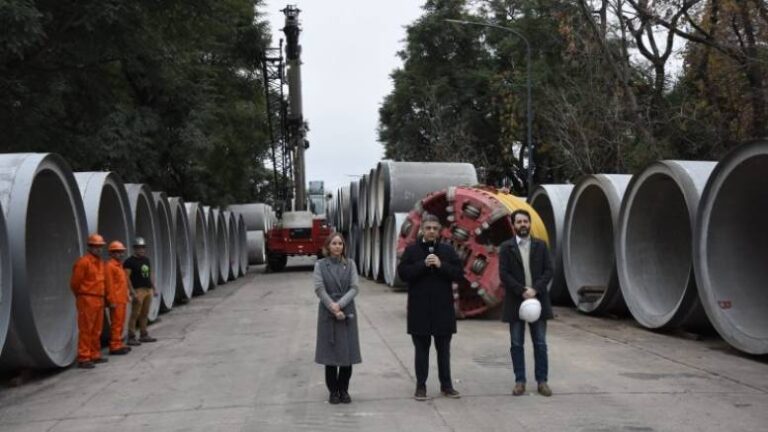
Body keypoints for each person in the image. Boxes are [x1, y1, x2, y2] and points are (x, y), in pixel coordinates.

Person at [397, 213, 463, 401]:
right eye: (428, 228)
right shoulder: (411, 251)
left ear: (439, 230)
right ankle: (421, 386)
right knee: (421, 351)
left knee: (444, 351)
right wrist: (422, 265)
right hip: (420, 310)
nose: (432, 231)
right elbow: (403, 274)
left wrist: (441, 265)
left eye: (435, 228)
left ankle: (447, 386)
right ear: (422, 230)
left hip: (443, 310)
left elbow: (459, 274)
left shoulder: (448, 251)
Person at [498, 209, 554, 397]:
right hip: (516, 301)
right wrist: (521, 291)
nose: (523, 225)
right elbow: (504, 274)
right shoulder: (506, 247)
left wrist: (534, 290)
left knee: (540, 343)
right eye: (519, 222)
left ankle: (542, 381)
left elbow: (548, 271)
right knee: (516, 344)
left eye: (525, 221)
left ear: (529, 224)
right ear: (513, 225)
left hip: (538, 300)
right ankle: (520, 381)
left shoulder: (541, 245)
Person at [313, 232, 361, 404]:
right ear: (327, 246)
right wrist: (332, 306)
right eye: (334, 243)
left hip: (347, 312)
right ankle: (333, 391)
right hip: (328, 312)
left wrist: (340, 304)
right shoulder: (320, 265)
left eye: (340, 244)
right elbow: (319, 288)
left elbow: (354, 287)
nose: (337, 246)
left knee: (348, 356)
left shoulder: (350, 264)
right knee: (331, 356)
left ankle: (344, 390)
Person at [70, 234, 112, 369]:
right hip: (87, 298)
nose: (99, 249)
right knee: (86, 329)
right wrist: (81, 296)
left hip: (98, 299)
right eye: (96, 246)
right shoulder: (83, 262)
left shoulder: (100, 263)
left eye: (100, 247)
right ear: (90, 247)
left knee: (97, 329)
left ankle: (94, 354)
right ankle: (83, 357)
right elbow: (75, 283)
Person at [124, 237, 158, 345]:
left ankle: (144, 334)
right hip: (138, 290)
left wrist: (154, 288)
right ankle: (131, 336)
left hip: (147, 289)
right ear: (134, 249)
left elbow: (149, 275)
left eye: (143, 248)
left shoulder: (146, 260)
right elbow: (126, 278)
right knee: (135, 314)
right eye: (139, 248)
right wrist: (132, 291)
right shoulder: (129, 262)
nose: (141, 250)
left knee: (145, 313)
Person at [106, 241, 132, 355]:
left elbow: (122, 283)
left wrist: (127, 295)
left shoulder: (119, 265)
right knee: (116, 324)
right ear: (111, 253)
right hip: (116, 301)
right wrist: (111, 301)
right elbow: (109, 285)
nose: (120, 254)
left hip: (121, 299)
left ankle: (119, 344)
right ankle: (114, 346)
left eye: (121, 252)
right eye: (117, 252)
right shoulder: (110, 266)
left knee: (120, 323)